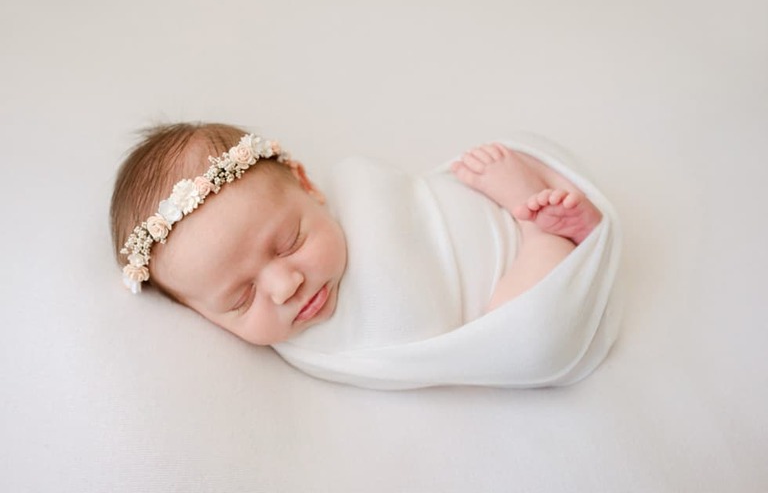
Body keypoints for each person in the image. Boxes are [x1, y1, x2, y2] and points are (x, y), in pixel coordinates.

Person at [111, 122, 621, 389]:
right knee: (533, 340)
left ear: (309, 187)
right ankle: (550, 236)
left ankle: (530, 206)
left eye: (290, 242)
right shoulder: (329, 348)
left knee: (498, 153)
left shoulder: (350, 188)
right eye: (242, 298)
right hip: (516, 285)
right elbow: (427, 342)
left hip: (476, 213)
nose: (285, 285)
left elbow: (412, 198)